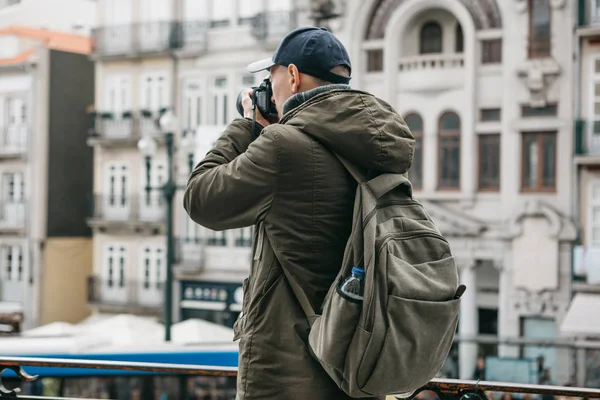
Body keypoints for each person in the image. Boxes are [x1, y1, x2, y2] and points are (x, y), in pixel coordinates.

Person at [183, 26, 415, 400]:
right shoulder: (376, 147)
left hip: (286, 373)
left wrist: (247, 125)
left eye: (270, 77)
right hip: (356, 365)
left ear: (292, 77)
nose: (267, 89)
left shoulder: (283, 147)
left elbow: (200, 199)